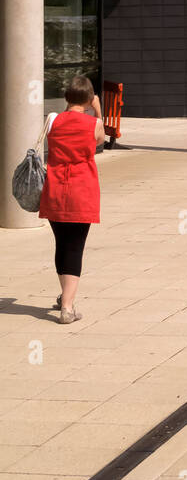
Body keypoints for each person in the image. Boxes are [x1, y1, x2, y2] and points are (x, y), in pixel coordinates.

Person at [39, 76, 104, 325]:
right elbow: (100, 141)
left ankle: (65, 295)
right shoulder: (93, 124)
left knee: (62, 244)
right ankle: (67, 307)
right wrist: (97, 109)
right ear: (89, 100)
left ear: (67, 97)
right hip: (81, 191)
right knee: (76, 247)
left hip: (55, 189)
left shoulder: (52, 119)